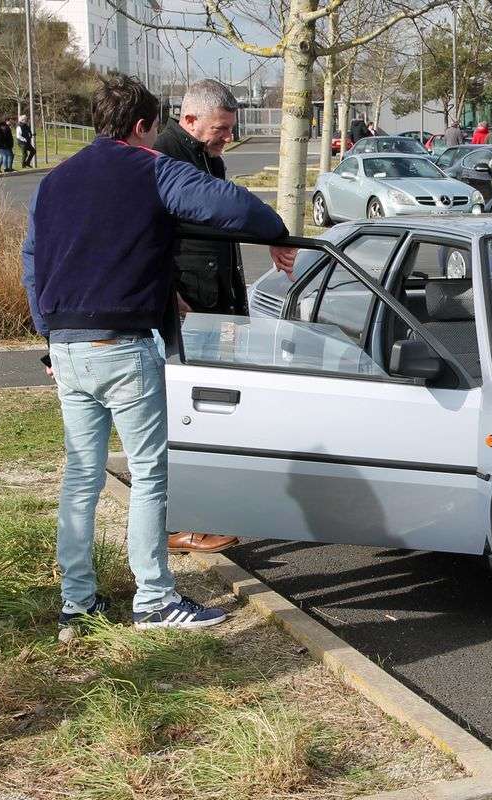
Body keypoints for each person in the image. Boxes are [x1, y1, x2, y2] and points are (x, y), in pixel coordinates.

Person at [20, 76, 296, 631]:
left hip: (68, 347)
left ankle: (77, 602)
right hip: (123, 346)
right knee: (148, 475)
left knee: (81, 476)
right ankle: (154, 599)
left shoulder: (55, 181)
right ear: (143, 126)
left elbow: (33, 259)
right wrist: (277, 228)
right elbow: (229, 207)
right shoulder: (152, 169)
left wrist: (47, 333)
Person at [152, 79, 251, 556]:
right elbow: (149, 236)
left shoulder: (209, 157)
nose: (227, 138)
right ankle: (183, 524)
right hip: (185, 308)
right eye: (220, 129)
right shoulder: (163, 154)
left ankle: (202, 513)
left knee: (213, 414)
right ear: (189, 119)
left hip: (217, 305)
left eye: (230, 129)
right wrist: (164, 292)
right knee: (184, 418)